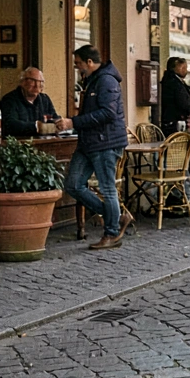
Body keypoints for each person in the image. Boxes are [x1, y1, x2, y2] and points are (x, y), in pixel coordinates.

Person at [58, 46, 132, 250]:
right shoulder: (93, 80)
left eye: (79, 64)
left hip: (104, 143)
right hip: (90, 142)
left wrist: (73, 123)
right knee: (73, 184)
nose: (77, 68)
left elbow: (107, 114)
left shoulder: (106, 80)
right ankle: (114, 218)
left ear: (89, 62)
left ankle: (112, 233)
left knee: (108, 189)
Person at [0, 67, 59, 137]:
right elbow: (10, 125)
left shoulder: (44, 99)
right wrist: (37, 127)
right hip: (19, 144)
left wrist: (60, 123)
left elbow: (54, 118)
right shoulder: (9, 100)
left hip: (43, 143)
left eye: (40, 82)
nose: (37, 86)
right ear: (22, 82)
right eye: (33, 81)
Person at [159, 57, 190, 134]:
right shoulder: (174, 83)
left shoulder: (173, 81)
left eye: (185, 68)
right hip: (174, 123)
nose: (185, 70)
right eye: (182, 67)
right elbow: (184, 103)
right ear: (175, 68)